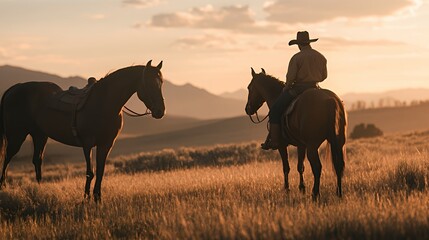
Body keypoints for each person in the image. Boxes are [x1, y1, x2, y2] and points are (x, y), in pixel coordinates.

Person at [261, 31, 327, 150]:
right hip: (315, 87)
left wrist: (286, 88)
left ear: (299, 44)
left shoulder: (297, 58)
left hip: (299, 89)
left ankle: (275, 141)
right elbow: (324, 76)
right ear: (308, 42)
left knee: (275, 110)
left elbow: (290, 78)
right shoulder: (321, 56)